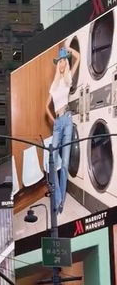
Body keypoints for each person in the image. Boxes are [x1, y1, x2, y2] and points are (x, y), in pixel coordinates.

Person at [46, 46, 80, 214]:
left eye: (63, 62)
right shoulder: (53, 85)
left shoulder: (68, 79)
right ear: (57, 64)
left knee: (65, 165)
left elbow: (79, 58)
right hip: (58, 123)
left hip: (67, 120)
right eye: (59, 62)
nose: (61, 65)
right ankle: (58, 198)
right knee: (51, 161)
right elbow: (46, 107)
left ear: (65, 63)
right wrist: (54, 121)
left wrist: (68, 50)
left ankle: (60, 203)